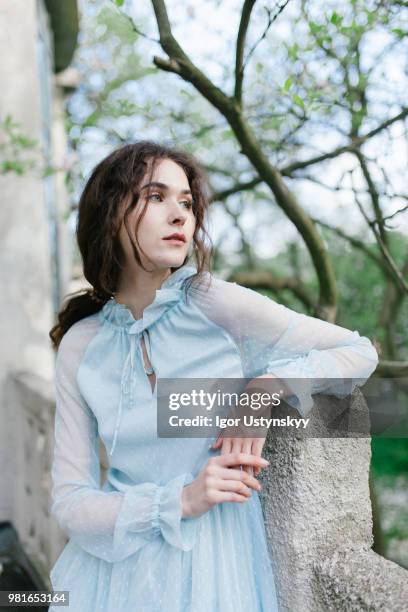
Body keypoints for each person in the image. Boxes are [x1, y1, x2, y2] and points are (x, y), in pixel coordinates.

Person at [48, 141, 379, 611]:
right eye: (156, 196)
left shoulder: (213, 303)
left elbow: (357, 350)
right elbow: (70, 501)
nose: (181, 215)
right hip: (108, 575)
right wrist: (178, 500)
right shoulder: (80, 344)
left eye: (186, 202)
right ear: (110, 213)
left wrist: (265, 390)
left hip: (214, 571)